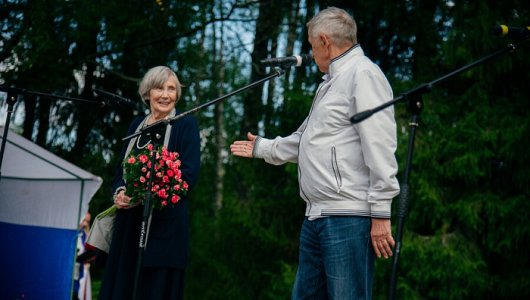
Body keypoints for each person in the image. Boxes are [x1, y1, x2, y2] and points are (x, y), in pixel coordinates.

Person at [230, 7, 400, 299]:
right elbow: (307, 140)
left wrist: (381, 212)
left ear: (324, 41)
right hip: (316, 217)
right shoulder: (330, 83)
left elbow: (380, 144)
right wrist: (264, 147)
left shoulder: (363, 75)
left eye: (311, 45)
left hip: (348, 217)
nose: (310, 53)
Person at [98, 66, 201, 300]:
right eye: (159, 88)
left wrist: (146, 196)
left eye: (171, 89)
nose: (165, 94)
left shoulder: (185, 125)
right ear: (147, 93)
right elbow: (119, 173)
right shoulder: (136, 126)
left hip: (164, 230)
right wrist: (121, 192)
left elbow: (188, 177)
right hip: (128, 229)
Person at [73, 212, 92, 300]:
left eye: (88, 222)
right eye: (84, 220)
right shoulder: (74, 232)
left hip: (81, 267)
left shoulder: (84, 234)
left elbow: (90, 246)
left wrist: (87, 229)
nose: (85, 223)